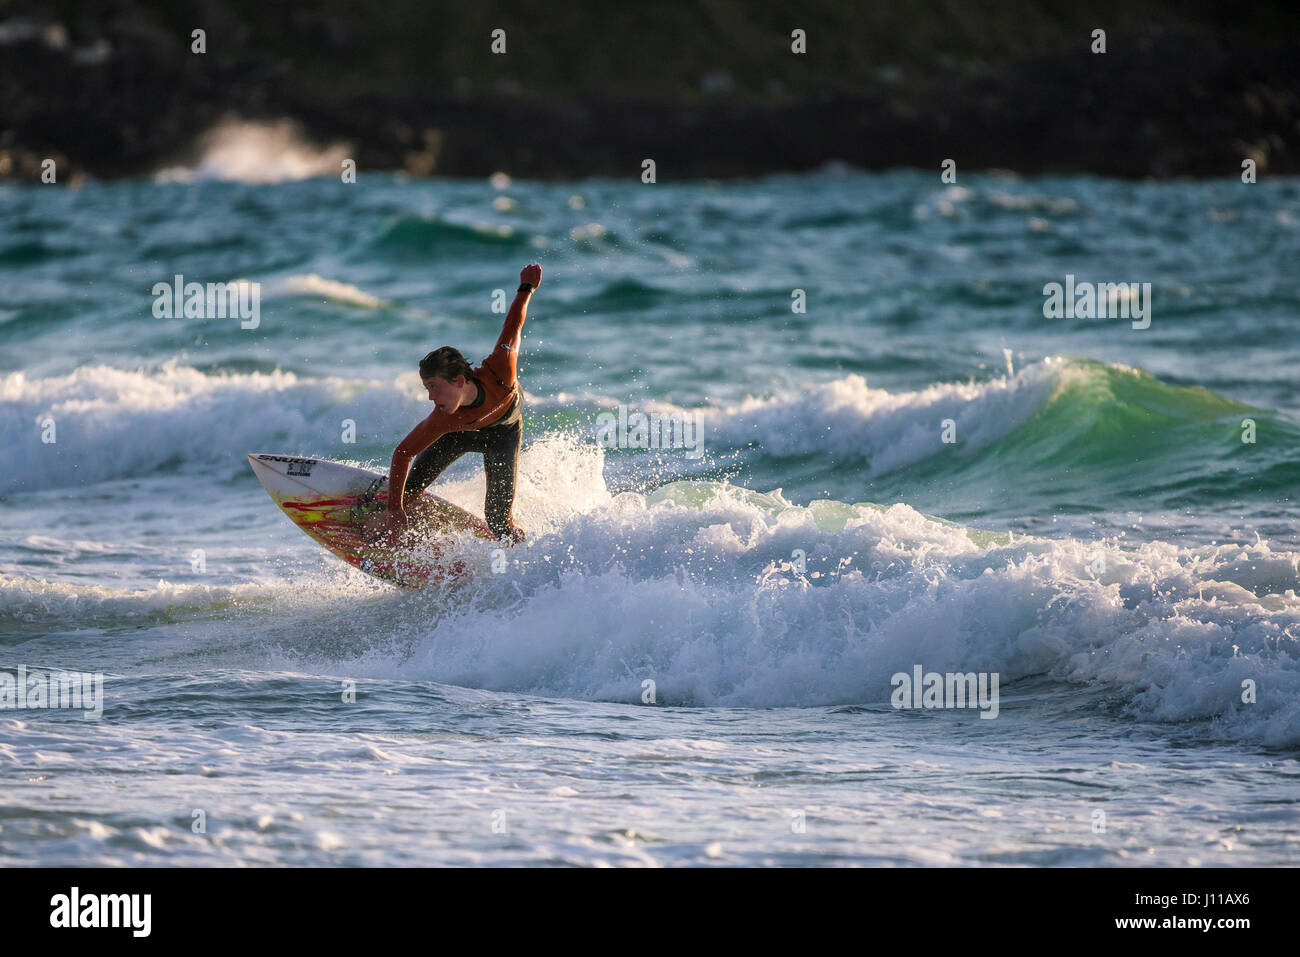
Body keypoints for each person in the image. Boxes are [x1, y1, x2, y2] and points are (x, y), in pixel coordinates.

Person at [366, 263, 541, 548]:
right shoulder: (443, 418)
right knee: (407, 491)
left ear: (459, 380)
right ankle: (400, 525)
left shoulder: (500, 370)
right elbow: (403, 453)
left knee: (497, 520)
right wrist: (395, 510)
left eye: (434, 387)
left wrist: (526, 288)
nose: (430, 397)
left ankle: (525, 556)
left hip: (503, 435)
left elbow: (513, 325)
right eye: (427, 389)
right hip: (462, 434)